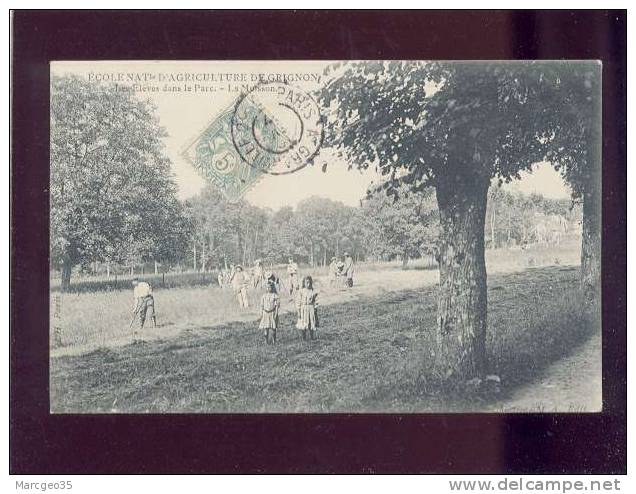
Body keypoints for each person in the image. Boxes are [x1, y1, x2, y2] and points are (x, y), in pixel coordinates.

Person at [295, 275, 319, 340]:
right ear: (304, 283)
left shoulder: (312, 291)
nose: (308, 284)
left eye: (309, 283)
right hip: (304, 308)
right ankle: (304, 337)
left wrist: (315, 308)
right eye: (306, 283)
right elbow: (298, 302)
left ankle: (312, 336)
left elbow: (315, 301)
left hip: (310, 308)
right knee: (304, 323)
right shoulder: (301, 291)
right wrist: (299, 311)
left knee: (311, 322)